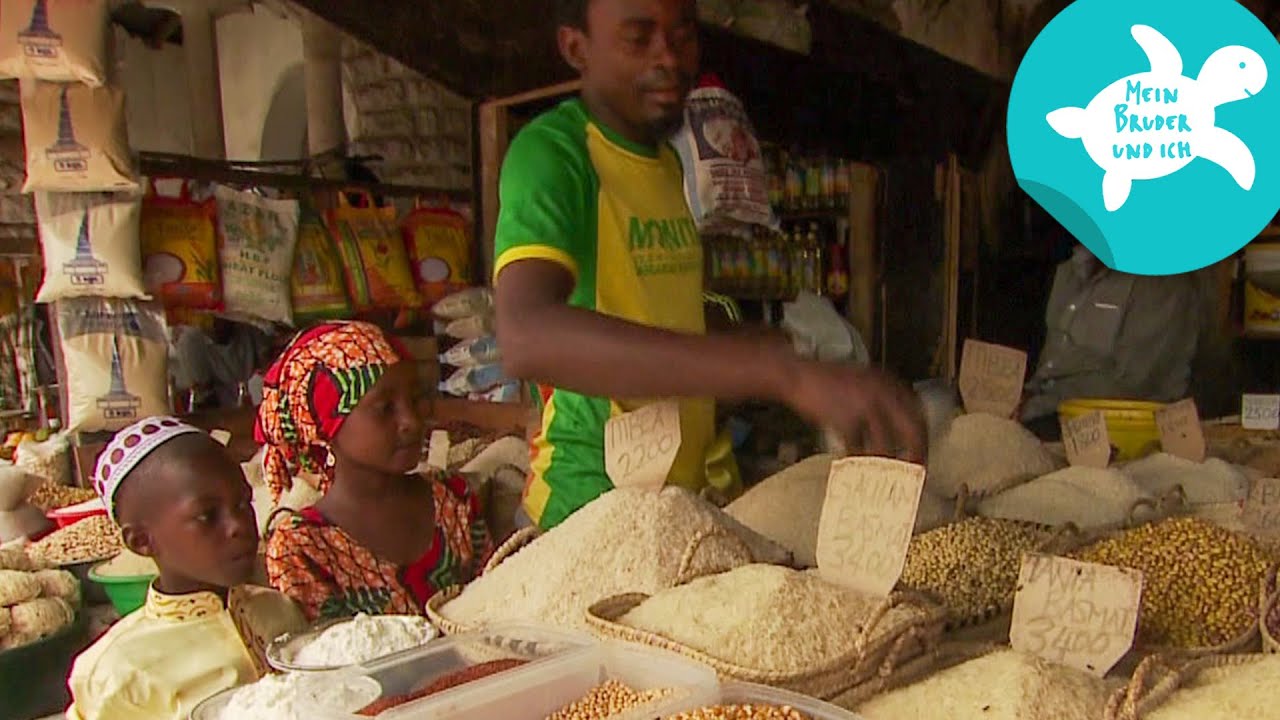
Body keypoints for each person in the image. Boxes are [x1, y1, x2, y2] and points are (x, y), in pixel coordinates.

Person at [492, 0, 927, 530]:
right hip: (584, 510)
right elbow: (526, 334)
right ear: (575, 48)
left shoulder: (665, 161)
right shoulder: (553, 155)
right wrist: (777, 372)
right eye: (638, 38)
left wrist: (774, 350)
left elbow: (653, 310)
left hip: (674, 506)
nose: (669, 58)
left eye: (682, 36)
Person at [66, 417, 305, 720]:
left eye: (243, 504)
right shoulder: (118, 672)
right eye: (207, 515)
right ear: (141, 541)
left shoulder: (281, 611)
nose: (238, 526)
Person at [257, 321, 492, 621]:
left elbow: (498, 602)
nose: (411, 421)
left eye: (415, 399)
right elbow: (322, 659)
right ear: (326, 425)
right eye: (385, 408)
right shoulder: (302, 548)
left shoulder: (452, 498)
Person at [1021, 243, 1202, 440]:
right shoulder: (1071, 270)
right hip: (1048, 414)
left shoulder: (1162, 282)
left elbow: (1134, 386)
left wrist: (1041, 403)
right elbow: (1052, 360)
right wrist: (1024, 395)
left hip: (1121, 428)